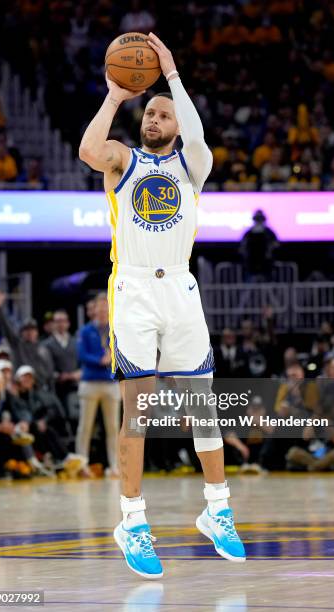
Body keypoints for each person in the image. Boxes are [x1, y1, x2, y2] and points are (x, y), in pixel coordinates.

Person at [79, 32, 246, 578]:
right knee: (139, 412)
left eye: (164, 114)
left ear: (178, 125)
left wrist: (171, 76)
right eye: (149, 111)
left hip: (180, 288)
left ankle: (217, 509)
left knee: (203, 404)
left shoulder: (192, 167)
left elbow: (196, 136)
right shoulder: (122, 160)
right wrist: (113, 96)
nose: (154, 118)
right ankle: (133, 520)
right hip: (132, 290)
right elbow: (86, 150)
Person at [76, 293, 120, 478]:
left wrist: (112, 359)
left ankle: (115, 466)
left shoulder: (116, 329)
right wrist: (99, 360)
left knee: (113, 428)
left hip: (111, 384)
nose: (102, 311)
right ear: (94, 310)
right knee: (85, 427)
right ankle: (81, 464)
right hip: (90, 383)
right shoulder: (85, 331)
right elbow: (81, 355)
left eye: (105, 308)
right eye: (99, 308)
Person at [0, 293, 55, 390]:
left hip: (40, 388)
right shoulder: (17, 345)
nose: (30, 332)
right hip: (21, 388)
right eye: (26, 330)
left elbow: (50, 372)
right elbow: (6, 328)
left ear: (37, 332)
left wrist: (51, 390)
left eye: (32, 330)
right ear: (22, 333)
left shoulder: (43, 348)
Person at [240, 210, 279, 281]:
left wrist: (269, 250)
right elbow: (243, 247)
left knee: (268, 285)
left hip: (266, 264)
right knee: (250, 285)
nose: (258, 221)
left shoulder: (269, 232)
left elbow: (276, 244)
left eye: (260, 218)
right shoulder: (248, 233)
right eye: (257, 218)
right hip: (251, 264)